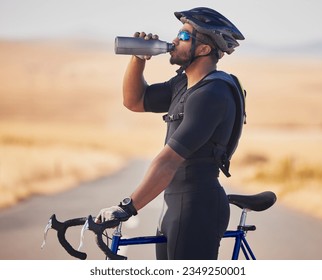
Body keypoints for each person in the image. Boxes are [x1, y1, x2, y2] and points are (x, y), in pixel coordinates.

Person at [95, 7, 245, 260]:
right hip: (175, 202)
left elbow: (169, 160)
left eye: (185, 36)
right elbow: (134, 100)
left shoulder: (212, 93)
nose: (175, 40)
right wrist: (138, 58)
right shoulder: (183, 84)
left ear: (204, 49)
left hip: (198, 206)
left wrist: (128, 207)